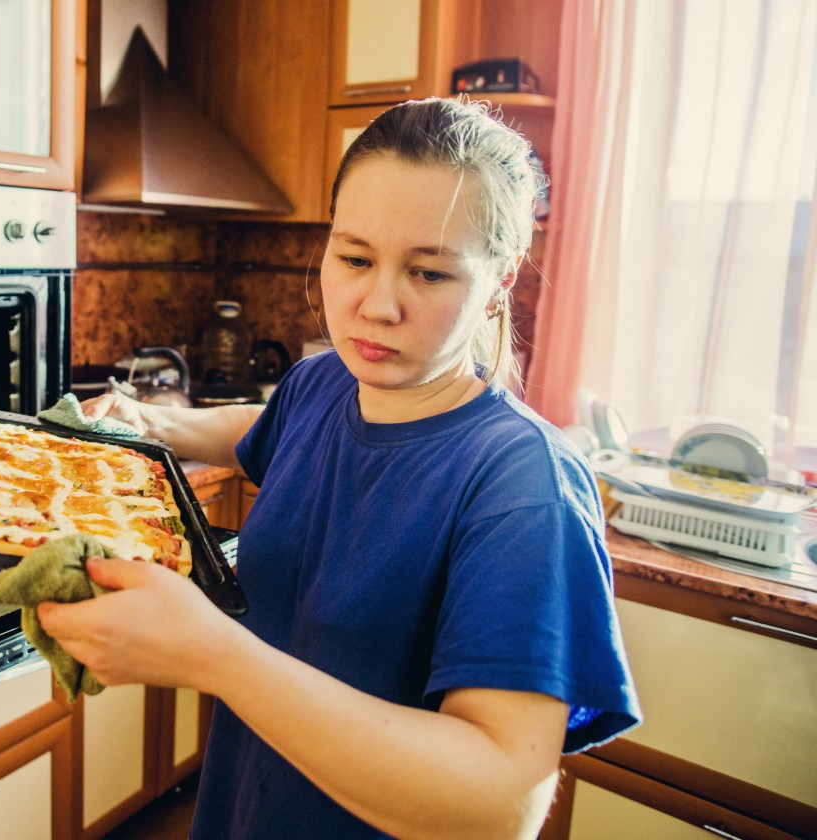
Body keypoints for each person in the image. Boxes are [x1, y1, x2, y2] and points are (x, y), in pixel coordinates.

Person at [38, 97, 640, 839]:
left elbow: (498, 806)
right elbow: (263, 429)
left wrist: (215, 654)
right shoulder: (324, 385)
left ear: (501, 280)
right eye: (354, 258)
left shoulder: (522, 489)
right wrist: (148, 419)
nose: (375, 304)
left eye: (429, 273)